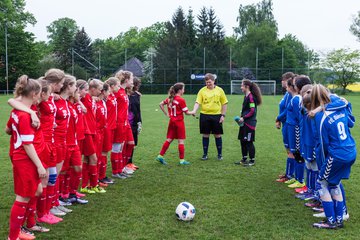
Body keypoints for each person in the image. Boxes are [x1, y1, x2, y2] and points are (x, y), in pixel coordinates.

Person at [6, 75, 47, 240]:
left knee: (35, 190)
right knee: (22, 197)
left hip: (22, 157)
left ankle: (25, 226)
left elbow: (8, 130)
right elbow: (27, 144)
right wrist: (39, 165)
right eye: (40, 93)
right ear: (34, 94)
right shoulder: (25, 115)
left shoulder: (19, 111)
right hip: (25, 160)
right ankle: (13, 236)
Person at [310, 84, 356, 229]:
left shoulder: (320, 116)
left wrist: (323, 164)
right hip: (350, 150)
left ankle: (331, 221)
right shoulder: (340, 107)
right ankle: (339, 219)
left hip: (337, 154)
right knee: (334, 183)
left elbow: (324, 144)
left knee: (321, 183)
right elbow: (351, 122)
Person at [191, 73, 228, 160]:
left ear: (214, 81)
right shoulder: (202, 91)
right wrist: (194, 110)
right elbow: (198, 102)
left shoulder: (220, 90)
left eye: (210, 82)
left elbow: (224, 103)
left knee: (217, 135)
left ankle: (219, 155)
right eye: (207, 82)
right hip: (204, 115)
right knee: (205, 135)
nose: (208, 84)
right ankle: (205, 154)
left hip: (216, 116)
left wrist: (223, 115)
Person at [156, 83, 193, 165]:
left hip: (172, 122)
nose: (184, 90)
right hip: (179, 122)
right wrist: (193, 112)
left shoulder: (170, 99)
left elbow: (160, 104)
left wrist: (166, 114)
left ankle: (160, 156)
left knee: (169, 139)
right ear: (180, 90)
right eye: (183, 89)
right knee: (181, 141)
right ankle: (182, 160)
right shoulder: (181, 100)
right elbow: (187, 113)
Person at [234, 79, 262, 166]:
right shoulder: (246, 96)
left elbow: (252, 111)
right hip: (244, 123)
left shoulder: (251, 97)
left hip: (249, 124)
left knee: (249, 142)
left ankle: (252, 160)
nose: (241, 87)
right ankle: (244, 159)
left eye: (242, 85)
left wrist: (244, 117)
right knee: (242, 141)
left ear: (247, 87)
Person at [275, 72, 295, 182]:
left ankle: (290, 175)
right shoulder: (287, 94)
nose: (282, 82)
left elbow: (287, 110)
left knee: (292, 150)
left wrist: (278, 118)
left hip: (289, 125)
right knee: (289, 150)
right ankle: (289, 173)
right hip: (285, 124)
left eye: (283, 79)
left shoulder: (291, 95)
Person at [127, 76, 142, 170]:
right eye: (137, 84)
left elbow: (138, 110)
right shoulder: (128, 95)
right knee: (129, 143)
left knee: (134, 143)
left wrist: (140, 121)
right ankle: (127, 163)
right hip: (130, 122)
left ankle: (130, 162)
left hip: (136, 122)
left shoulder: (136, 95)